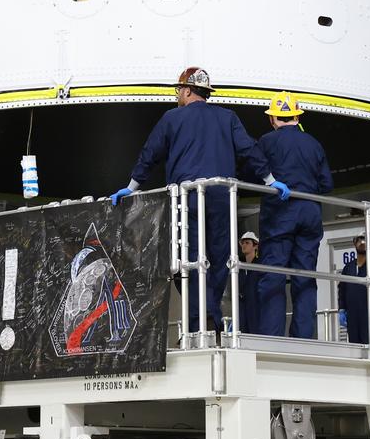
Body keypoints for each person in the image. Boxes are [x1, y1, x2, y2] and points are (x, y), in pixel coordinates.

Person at [112, 67, 290, 332]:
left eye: (178, 91)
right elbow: (248, 150)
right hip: (221, 197)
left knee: (188, 259)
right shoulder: (228, 117)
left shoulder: (172, 118)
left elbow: (150, 153)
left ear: (186, 90)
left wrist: (132, 186)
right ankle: (210, 317)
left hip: (188, 199)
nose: (177, 95)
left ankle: (201, 321)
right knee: (219, 259)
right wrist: (269, 180)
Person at [254, 94, 334, 339]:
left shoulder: (266, 142)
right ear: (297, 116)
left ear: (272, 119)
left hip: (280, 212)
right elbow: (327, 184)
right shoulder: (313, 143)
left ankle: (272, 336)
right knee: (306, 276)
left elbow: (253, 171)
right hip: (309, 212)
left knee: (273, 276)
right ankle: (304, 337)